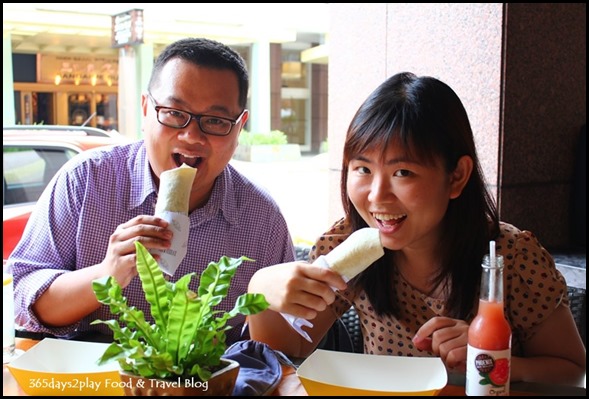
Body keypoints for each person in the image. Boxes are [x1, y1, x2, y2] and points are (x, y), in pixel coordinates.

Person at [247, 72, 586, 385]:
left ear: (456, 177)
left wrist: (490, 359)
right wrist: (259, 291)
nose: (377, 196)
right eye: (362, 169)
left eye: (403, 173)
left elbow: (574, 371)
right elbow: (284, 354)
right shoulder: (345, 245)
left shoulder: (510, 257)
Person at [8, 37, 295, 345]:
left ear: (240, 127)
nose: (191, 135)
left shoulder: (262, 218)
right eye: (174, 112)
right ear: (146, 109)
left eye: (215, 120)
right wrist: (106, 274)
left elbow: (286, 337)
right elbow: (24, 297)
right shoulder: (85, 181)